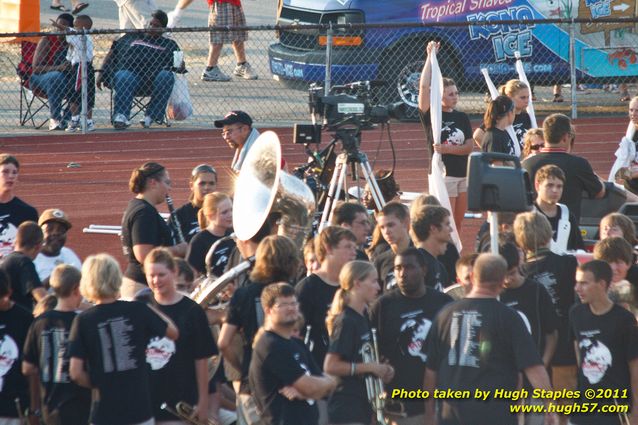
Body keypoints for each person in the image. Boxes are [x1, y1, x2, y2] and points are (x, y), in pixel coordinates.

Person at [423, 254, 555, 425]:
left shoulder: (444, 314)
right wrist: (550, 407)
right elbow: (533, 368)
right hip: (495, 415)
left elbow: (430, 371)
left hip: (451, 416)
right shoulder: (509, 317)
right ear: (502, 281)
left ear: (472, 277)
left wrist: (429, 414)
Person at [68, 253, 179, 425]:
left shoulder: (83, 320)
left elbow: (75, 373)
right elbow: (173, 333)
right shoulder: (137, 310)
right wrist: (150, 308)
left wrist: (99, 383)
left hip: (104, 412)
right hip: (139, 410)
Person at [217, 235, 300, 425]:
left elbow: (223, 342)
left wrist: (243, 368)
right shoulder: (293, 293)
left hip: (252, 385)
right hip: (290, 383)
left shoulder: (243, 294)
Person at [369, 248, 452, 424]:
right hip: (399, 408)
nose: (402, 274)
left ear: (423, 269)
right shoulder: (383, 306)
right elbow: (370, 349)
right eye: (398, 268)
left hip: (439, 403)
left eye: (409, 267)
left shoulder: (443, 303)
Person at [514, 211, 578, 422]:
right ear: (548, 233)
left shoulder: (520, 274)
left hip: (533, 353)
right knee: (565, 415)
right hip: (565, 349)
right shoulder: (568, 264)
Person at [144, 248, 217, 424]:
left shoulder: (192, 311)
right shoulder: (141, 306)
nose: (156, 280)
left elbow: (201, 360)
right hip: (147, 404)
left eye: (161, 275)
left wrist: (203, 401)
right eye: (151, 275)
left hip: (182, 399)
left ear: (174, 272)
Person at [249, 283, 337, 425]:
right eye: (283, 305)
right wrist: (325, 383)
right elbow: (312, 387)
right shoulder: (270, 345)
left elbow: (320, 387)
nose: (291, 308)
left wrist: (306, 391)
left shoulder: (296, 344)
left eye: (294, 303)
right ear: (268, 310)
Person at [323, 260, 394, 425]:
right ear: (357, 283)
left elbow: (361, 357)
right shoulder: (346, 320)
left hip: (363, 403)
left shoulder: (363, 318)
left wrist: (382, 369)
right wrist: (371, 367)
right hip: (347, 404)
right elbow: (331, 366)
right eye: (374, 281)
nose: (378, 287)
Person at [570, 260, 638, 425]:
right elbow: (579, 358)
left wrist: (636, 412)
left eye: (584, 283)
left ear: (601, 284)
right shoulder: (576, 314)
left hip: (615, 409)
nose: (577, 288)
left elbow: (635, 369)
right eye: (577, 283)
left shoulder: (624, 320)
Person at [22, 265, 91, 425]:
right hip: (80, 406)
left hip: (50, 406)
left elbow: (27, 367)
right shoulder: (82, 322)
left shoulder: (39, 323)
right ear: (76, 289)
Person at [418, 41, 473, 230]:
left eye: (456, 93)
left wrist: (449, 149)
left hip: (463, 174)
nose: (455, 97)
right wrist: (430, 58)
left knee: (457, 223)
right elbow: (424, 88)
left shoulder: (462, 116)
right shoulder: (432, 115)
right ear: (440, 96)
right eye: (450, 94)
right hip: (444, 174)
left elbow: (469, 147)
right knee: (446, 223)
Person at [97, 10, 182, 130]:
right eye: (150, 24)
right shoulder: (133, 36)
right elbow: (112, 52)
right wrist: (101, 72)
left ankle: (151, 116)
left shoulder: (169, 44)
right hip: (130, 76)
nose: (151, 27)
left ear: (163, 29)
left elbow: (179, 66)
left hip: (153, 81)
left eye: (156, 26)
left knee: (166, 75)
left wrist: (180, 63)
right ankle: (121, 116)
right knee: (123, 75)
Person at [120, 162, 187, 299]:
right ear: (153, 183)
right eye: (167, 183)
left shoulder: (139, 207)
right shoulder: (144, 212)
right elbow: (144, 255)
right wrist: (178, 250)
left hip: (142, 283)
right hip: (141, 286)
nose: (169, 188)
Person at [522, 113, 605, 221]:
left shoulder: (527, 164)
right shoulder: (579, 164)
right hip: (568, 227)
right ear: (566, 138)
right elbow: (599, 192)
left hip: (535, 227)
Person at [296, 226, 357, 370]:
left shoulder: (350, 285)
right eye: (348, 247)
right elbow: (295, 335)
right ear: (329, 248)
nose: (354, 253)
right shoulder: (307, 289)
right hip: (317, 370)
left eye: (355, 247)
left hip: (347, 370)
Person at [167, 0, 257, 81]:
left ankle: (241, 64)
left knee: (238, 33)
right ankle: (210, 68)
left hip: (234, 2)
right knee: (218, 35)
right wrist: (178, 12)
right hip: (220, 3)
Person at [51, 14, 96, 133]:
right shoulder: (83, 37)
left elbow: (67, 30)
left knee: (75, 95)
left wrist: (58, 26)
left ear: (84, 28)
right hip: (86, 67)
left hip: (80, 67)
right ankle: (87, 121)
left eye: (76, 25)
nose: (73, 27)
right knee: (87, 95)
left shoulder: (80, 36)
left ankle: (76, 120)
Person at [29, 13, 74, 131]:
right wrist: (58, 67)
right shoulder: (47, 39)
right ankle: (55, 118)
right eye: (58, 25)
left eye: (63, 26)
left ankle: (68, 118)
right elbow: (36, 68)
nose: (59, 28)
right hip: (40, 78)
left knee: (82, 79)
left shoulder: (73, 42)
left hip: (66, 78)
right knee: (56, 77)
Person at [0, 269, 33, 424]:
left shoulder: (25, 320)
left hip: (14, 407)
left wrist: (34, 407)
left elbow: (32, 368)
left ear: (9, 292)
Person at [533, 165, 584, 252]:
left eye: (559, 186)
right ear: (537, 186)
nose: (555, 190)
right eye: (550, 185)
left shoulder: (567, 216)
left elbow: (579, 249)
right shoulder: (528, 214)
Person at [0, 221, 47, 313]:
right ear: (37, 247)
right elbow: (43, 298)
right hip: (18, 321)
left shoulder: (7, 260)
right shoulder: (24, 262)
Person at [473, 79, 532, 150]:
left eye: (528, 97)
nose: (526, 100)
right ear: (510, 97)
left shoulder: (526, 117)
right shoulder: (503, 117)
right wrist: (492, 151)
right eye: (522, 97)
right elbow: (478, 135)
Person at [186, 192, 234, 277]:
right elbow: (191, 276)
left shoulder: (233, 235)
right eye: (224, 212)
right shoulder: (199, 241)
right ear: (210, 216)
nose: (230, 215)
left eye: (231, 210)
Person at [0, 155, 38, 257]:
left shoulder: (27, 212)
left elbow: (33, 248)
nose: (11, 176)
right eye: (5, 172)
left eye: (14, 172)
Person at [170, 164, 218, 242]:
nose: (207, 187)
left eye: (211, 183)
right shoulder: (180, 215)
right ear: (191, 185)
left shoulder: (224, 211)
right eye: (202, 183)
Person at [34, 208, 82, 285]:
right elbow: (32, 294)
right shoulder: (31, 260)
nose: (55, 233)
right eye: (49, 229)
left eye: (61, 230)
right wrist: (58, 276)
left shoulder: (69, 254)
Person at [593, 237, 638, 318]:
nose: (613, 268)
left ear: (629, 264)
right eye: (608, 262)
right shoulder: (590, 282)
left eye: (618, 262)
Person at [410, 205, 452, 291]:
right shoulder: (416, 263)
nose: (451, 229)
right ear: (433, 228)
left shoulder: (439, 267)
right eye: (447, 224)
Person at [373, 202, 412, 290]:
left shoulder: (422, 255)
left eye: (390, 225)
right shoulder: (380, 261)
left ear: (405, 223)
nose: (386, 231)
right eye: (382, 227)